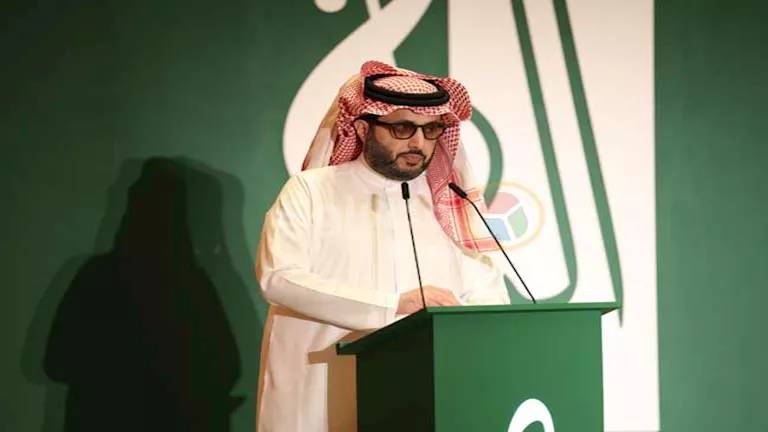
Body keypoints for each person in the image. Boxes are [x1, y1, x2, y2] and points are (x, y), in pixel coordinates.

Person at [254, 60, 511, 432]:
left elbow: (487, 295)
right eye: (403, 127)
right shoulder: (312, 190)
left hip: (419, 396)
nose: (419, 143)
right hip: (319, 392)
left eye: (431, 129)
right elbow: (278, 278)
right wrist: (394, 305)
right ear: (363, 127)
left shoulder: (449, 204)